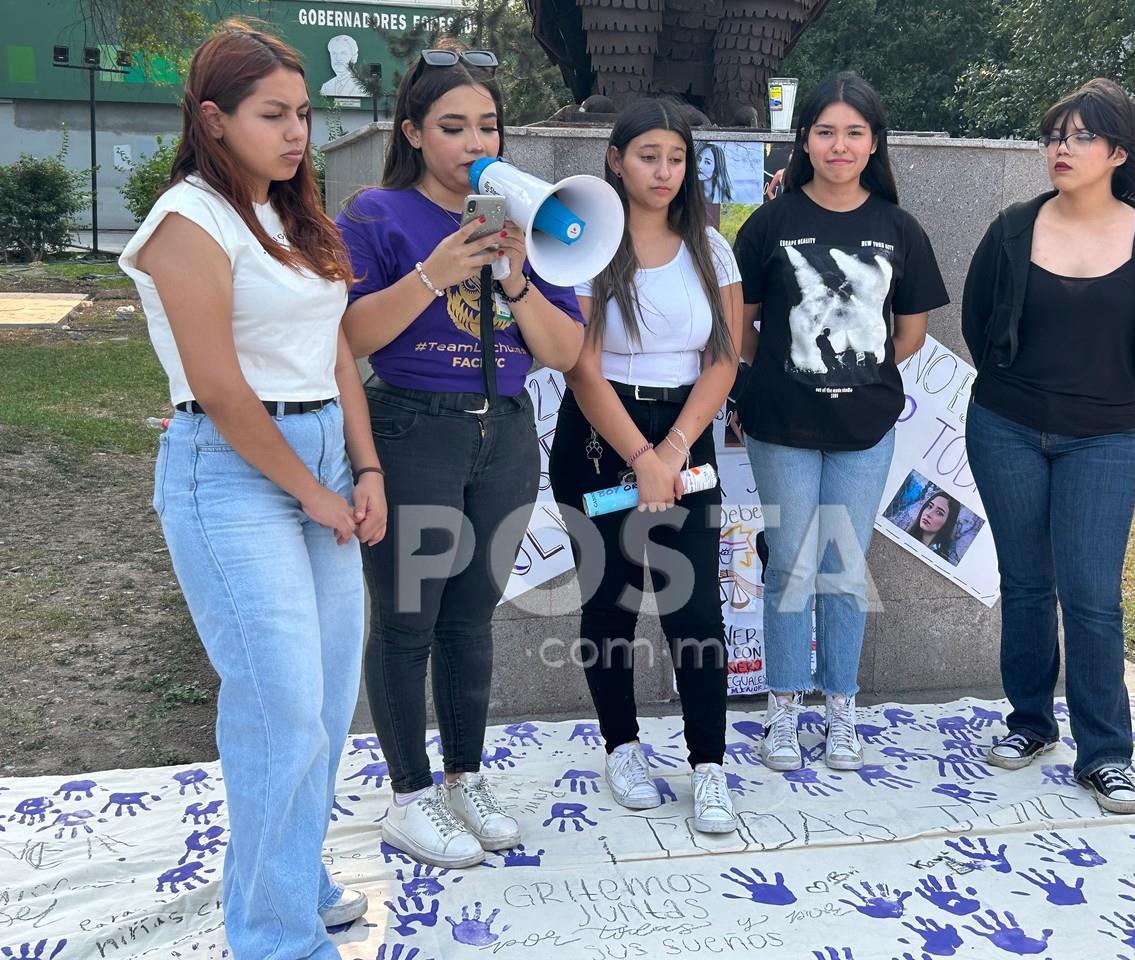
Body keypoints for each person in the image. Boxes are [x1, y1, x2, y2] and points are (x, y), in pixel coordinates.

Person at [118, 21, 386, 958]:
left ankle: (294, 877)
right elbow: (222, 386)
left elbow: (336, 352)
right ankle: (274, 938)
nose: (296, 132)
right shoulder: (188, 221)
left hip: (318, 455)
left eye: (304, 114)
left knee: (319, 700)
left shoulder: (291, 216)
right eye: (273, 115)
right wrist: (312, 493)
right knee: (277, 704)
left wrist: (364, 469)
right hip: (232, 472)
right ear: (213, 118)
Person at [336, 47, 585, 868]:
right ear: (412, 131)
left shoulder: (526, 216)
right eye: (452, 126)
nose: (473, 140)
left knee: (471, 620)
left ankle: (463, 778)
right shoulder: (378, 214)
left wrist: (514, 275)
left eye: (487, 125)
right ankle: (409, 797)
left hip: (505, 432)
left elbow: (564, 348)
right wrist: (433, 272)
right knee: (408, 620)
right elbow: (347, 338)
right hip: (413, 428)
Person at [962, 78, 1135, 815]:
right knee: (1026, 583)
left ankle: (1106, 755)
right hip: (1006, 426)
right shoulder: (1013, 226)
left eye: (1082, 135)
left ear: (1118, 152)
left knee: (1092, 596)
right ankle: (1030, 723)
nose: (1062, 147)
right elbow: (979, 321)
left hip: (1104, 437)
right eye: (1056, 134)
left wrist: (1111, 407)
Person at [732, 72, 948, 772]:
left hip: (866, 429)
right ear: (805, 139)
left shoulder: (897, 228)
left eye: (855, 131)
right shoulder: (772, 221)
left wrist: (856, 378)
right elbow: (740, 326)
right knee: (790, 565)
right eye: (825, 130)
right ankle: (783, 711)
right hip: (779, 426)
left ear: (874, 142)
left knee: (844, 567)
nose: (839, 144)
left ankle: (842, 709)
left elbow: (908, 333)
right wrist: (775, 375)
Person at [548, 98, 744, 833]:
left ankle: (709, 764)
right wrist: (639, 452)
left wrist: (673, 449)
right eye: (648, 156)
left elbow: (723, 358)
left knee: (696, 608)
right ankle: (622, 746)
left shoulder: (711, 247)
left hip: (685, 436)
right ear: (615, 159)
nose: (664, 172)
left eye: (677, 158)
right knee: (612, 603)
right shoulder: (587, 247)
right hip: (602, 439)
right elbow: (582, 366)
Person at [907, 491, 959, 564]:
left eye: (939, 513)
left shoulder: (942, 561)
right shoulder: (905, 537)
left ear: (948, 522)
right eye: (930, 506)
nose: (928, 514)